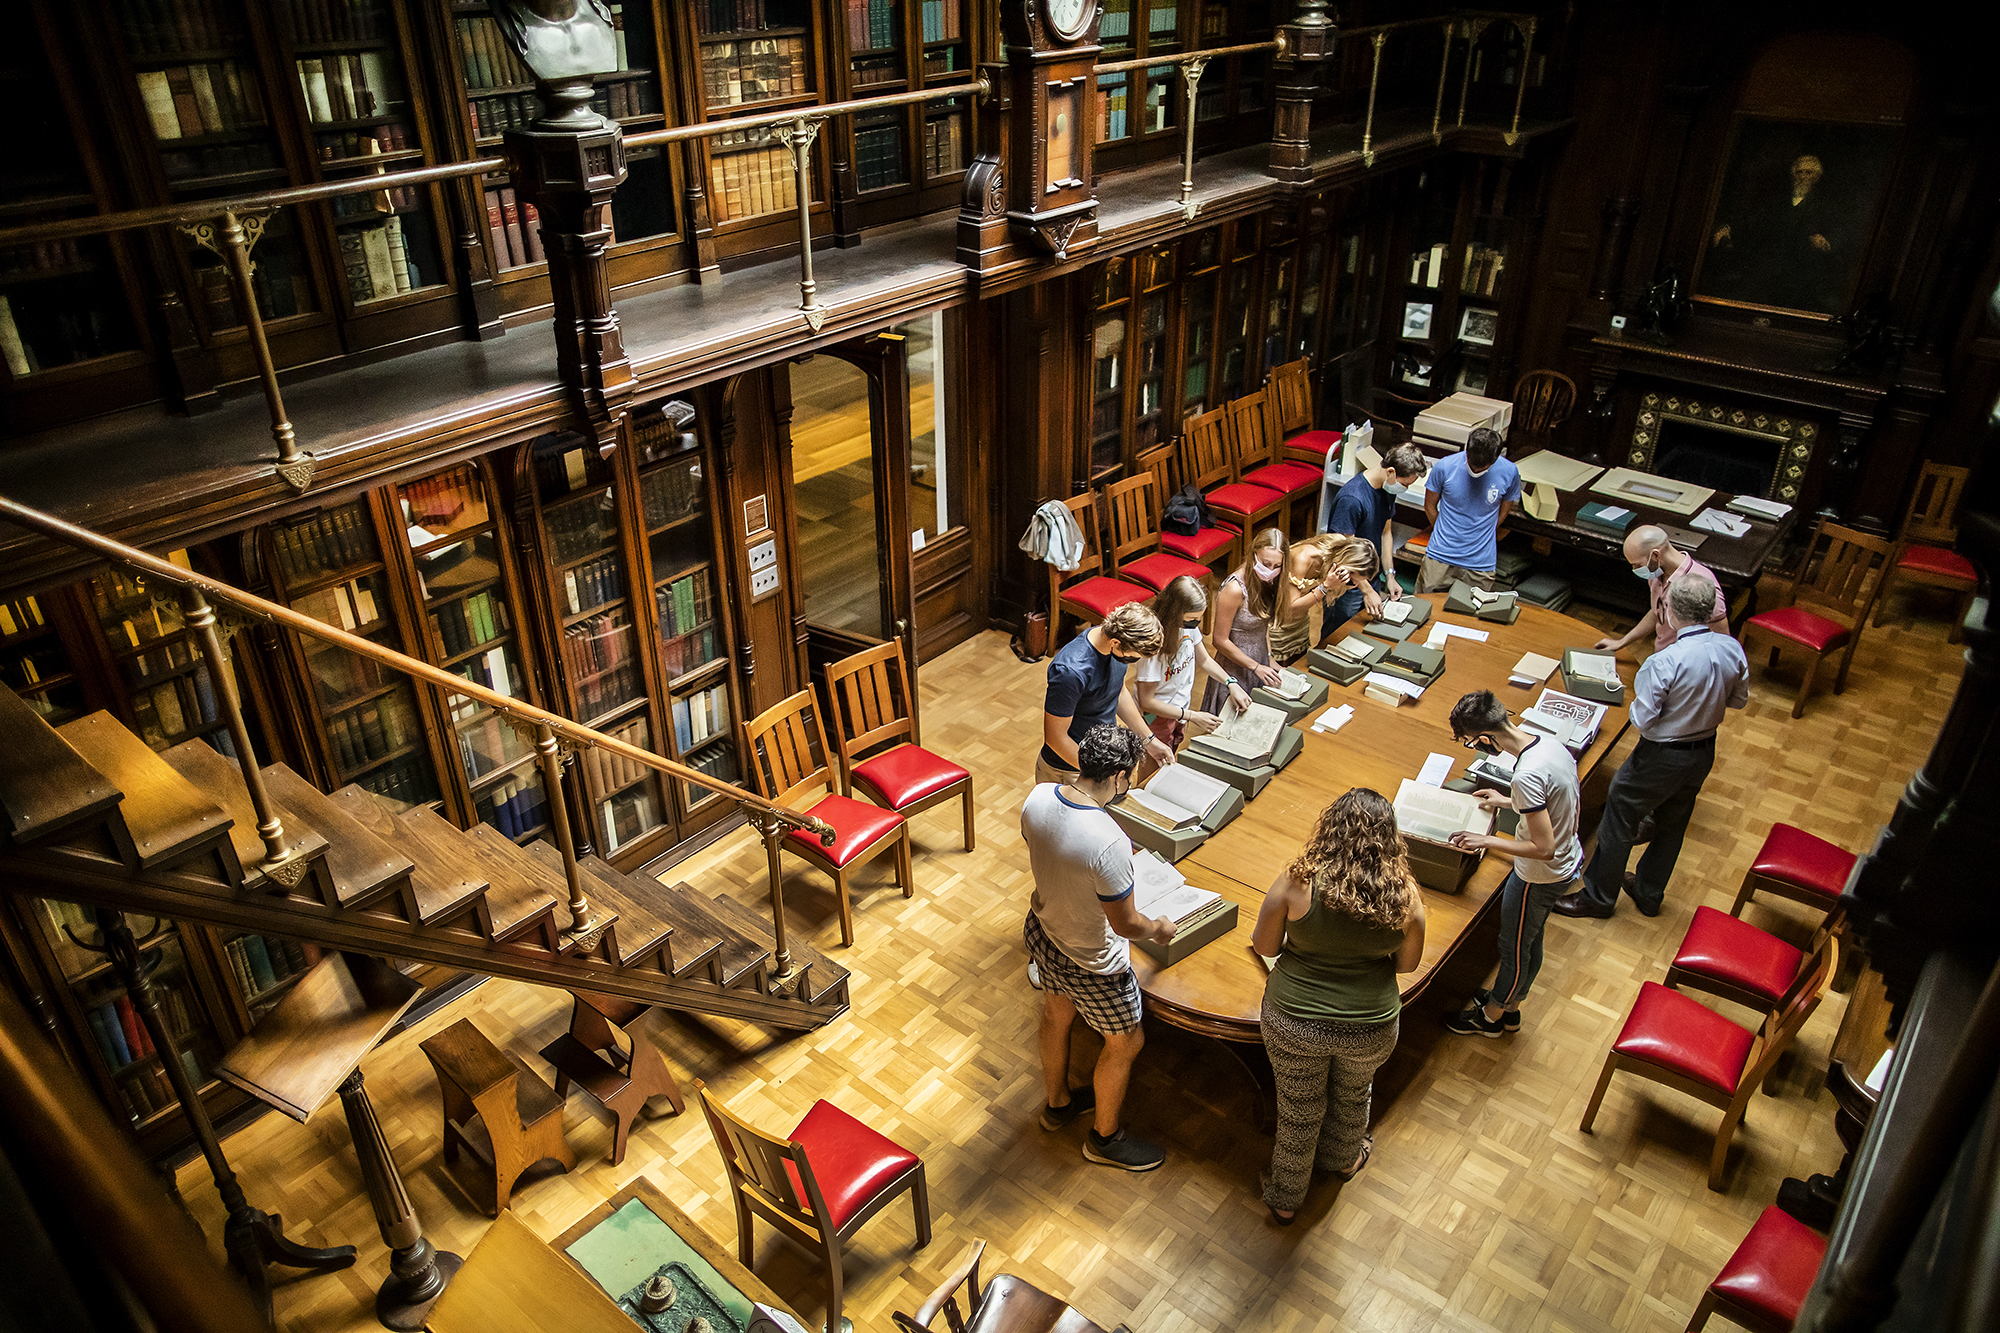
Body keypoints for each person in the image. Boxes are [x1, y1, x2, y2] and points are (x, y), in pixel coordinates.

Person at [1252, 789, 1427, 1223]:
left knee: (1298, 1108)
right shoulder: (1405, 896)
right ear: (1390, 838)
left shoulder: (1297, 882)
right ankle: (1344, 1159)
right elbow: (1407, 965)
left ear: (1329, 829)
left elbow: (1264, 944)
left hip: (1294, 1021)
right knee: (1353, 1094)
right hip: (1370, 1027)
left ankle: (1286, 1199)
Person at [1021, 724, 1178, 1171]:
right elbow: (1126, 923)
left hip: (1045, 934)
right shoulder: (1108, 839)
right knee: (1127, 1041)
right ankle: (1104, 1139)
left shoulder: (1039, 797)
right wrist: (1158, 928)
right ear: (1119, 777)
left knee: (1055, 1014)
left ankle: (1057, 1106)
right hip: (1093, 962)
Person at [1555, 577, 1751, 919]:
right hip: (1704, 751)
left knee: (1618, 820)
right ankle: (1648, 892)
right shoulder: (1732, 648)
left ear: (1670, 611)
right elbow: (1738, 701)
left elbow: (1643, 720)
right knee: (1673, 822)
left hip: (1660, 756)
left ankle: (1598, 898)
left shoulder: (1665, 661)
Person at [1441, 690, 1583, 1037]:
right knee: (1530, 942)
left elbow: (1543, 846)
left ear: (1487, 737)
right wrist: (1508, 801)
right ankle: (1511, 1007)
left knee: (1513, 947)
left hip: (1541, 874)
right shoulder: (1545, 744)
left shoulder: (1526, 775)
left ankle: (1490, 1017)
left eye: (1472, 742)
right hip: (1565, 860)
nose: (1474, 747)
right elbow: (1550, 798)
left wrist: (1485, 840)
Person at [1129, 576, 1250, 784]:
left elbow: (1204, 660)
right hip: (1156, 718)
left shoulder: (1188, 629)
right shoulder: (1153, 647)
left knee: (1167, 764)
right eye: (1191, 620)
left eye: (1198, 619)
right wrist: (1193, 715)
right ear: (1174, 613)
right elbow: (1146, 701)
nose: (1195, 625)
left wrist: (1232, 683)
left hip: (1179, 711)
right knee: (1151, 773)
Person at [1038, 601, 1170, 787]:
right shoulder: (1070, 671)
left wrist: (1149, 740)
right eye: (1133, 657)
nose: (1132, 661)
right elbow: (1056, 739)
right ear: (1115, 643)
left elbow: (1119, 691)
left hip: (1098, 765)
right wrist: (1097, 777)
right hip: (1069, 771)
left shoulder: (1116, 644)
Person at [1323, 443, 1431, 637]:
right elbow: (1344, 553)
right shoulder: (1352, 499)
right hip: (1348, 583)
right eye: (1405, 484)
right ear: (1390, 471)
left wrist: (1389, 575)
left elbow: (1385, 532)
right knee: (1338, 636)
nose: (1404, 488)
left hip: (1370, 577)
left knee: (1362, 636)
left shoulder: (1387, 490)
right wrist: (1366, 590)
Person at [1591, 526, 1731, 658]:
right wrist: (1622, 642)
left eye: (1637, 565)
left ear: (1655, 555)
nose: (1635, 569)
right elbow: (1657, 611)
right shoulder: (1656, 573)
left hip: (1685, 666)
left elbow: (1722, 642)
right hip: (1663, 658)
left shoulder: (1701, 586)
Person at [1418, 428, 1521, 594]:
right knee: (1426, 608)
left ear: (1495, 459)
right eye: (1473, 466)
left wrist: (1486, 531)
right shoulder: (1445, 467)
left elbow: (1506, 507)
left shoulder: (1510, 472)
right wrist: (1443, 530)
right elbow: (1429, 506)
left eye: (1483, 468)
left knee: (1473, 615)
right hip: (1440, 557)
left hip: (1480, 563)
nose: (1476, 471)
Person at [1203, 529, 1290, 709]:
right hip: (1236, 665)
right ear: (1253, 555)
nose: (1270, 571)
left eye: (1277, 566)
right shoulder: (1234, 589)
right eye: (1265, 564)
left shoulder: (1272, 581)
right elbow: (1219, 640)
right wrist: (1255, 666)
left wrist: (1269, 658)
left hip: (1260, 660)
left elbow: (1263, 626)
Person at [1271, 534, 1375, 665]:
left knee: (1298, 663)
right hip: (1276, 615)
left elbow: (1356, 572)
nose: (1348, 583)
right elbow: (1290, 607)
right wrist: (1325, 587)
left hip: (1302, 617)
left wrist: (1368, 591)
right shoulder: (1305, 558)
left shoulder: (1341, 550)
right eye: (1351, 577)